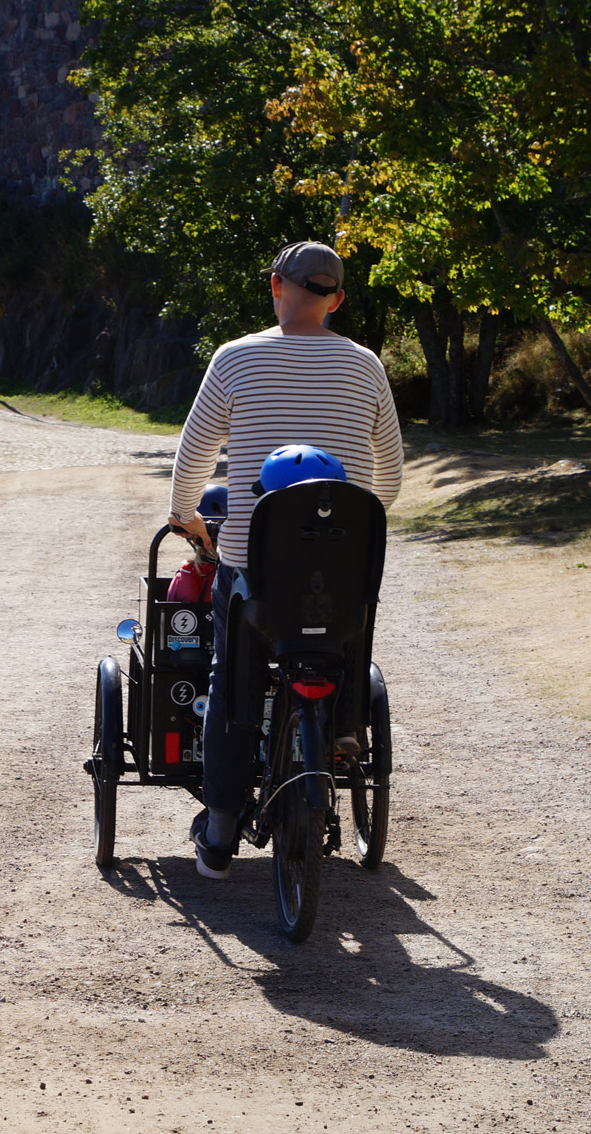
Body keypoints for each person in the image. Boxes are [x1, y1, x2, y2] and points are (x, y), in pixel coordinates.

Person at [167, 241, 405, 881]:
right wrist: (354, 526)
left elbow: (192, 459)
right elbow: (390, 475)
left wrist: (186, 515)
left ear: (276, 286)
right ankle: (344, 727)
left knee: (230, 681)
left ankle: (218, 833)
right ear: (338, 299)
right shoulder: (365, 368)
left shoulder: (236, 360)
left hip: (254, 567)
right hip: (340, 572)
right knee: (344, 631)